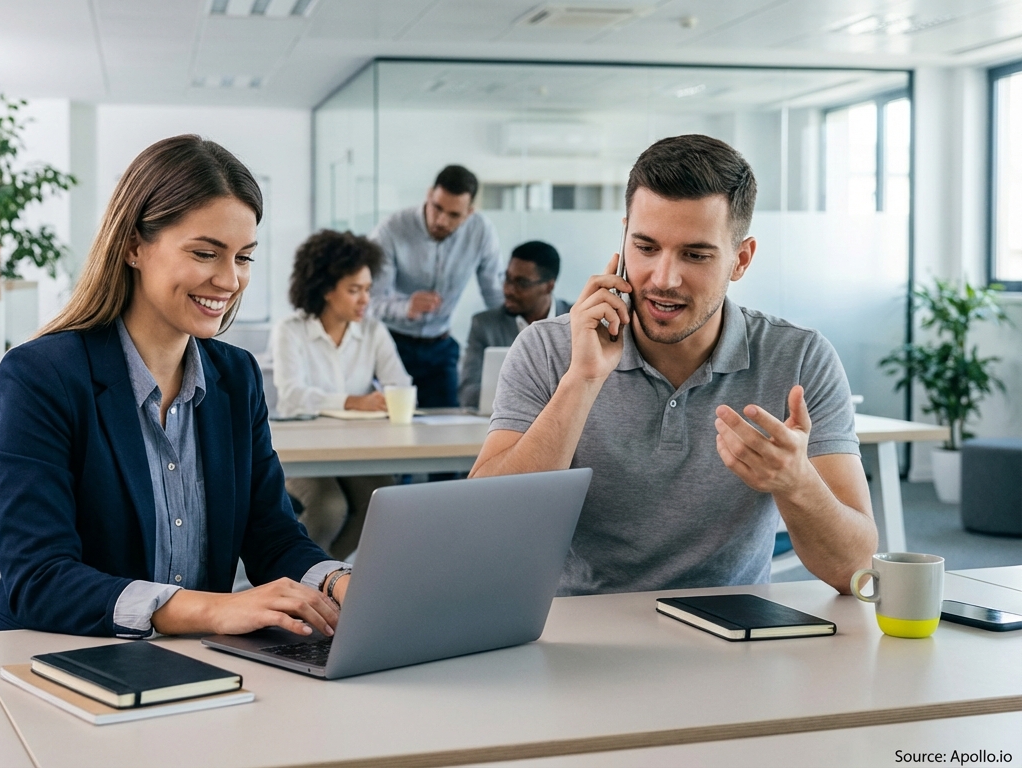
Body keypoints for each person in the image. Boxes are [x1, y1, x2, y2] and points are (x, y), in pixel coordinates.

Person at [0, 135, 351, 640]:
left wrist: (336, 581)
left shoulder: (235, 378)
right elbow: (38, 578)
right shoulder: (41, 376)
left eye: (243, 258)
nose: (229, 280)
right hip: (58, 654)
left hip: (191, 662)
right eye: (205, 253)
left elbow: (272, 536)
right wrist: (212, 610)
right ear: (134, 245)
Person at [470, 134, 876, 596]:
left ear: (740, 259)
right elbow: (487, 530)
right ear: (624, 237)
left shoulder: (800, 358)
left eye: (695, 255)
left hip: (731, 640)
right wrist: (581, 380)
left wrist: (797, 482)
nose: (664, 279)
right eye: (645, 248)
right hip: (576, 635)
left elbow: (857, 571)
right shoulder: (545, 348)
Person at [270, 230, 411, 559]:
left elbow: (400, 385)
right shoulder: (291, 330)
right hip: (302, 450)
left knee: (383, 499)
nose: (365, 299)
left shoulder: (374, 331)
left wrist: (390, 397)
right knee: (329, 506)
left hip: (355, 449)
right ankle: (300, 577)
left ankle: (328, 576)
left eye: (367, 290)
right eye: (354, 290)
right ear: (326, 289)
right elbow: (292, 397)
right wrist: (353, 401)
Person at [368, 165, 503, 407]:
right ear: (429, 195)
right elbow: (369, 301)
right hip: (391, 345)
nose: (441, 220)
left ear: (469, 212)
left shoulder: (481, 231)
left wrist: (528, 334)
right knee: (387, 426)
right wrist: (406, 307)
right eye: (437, 208)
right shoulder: (392, 229)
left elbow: (494, 294)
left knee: (447, 427)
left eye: (454, 215)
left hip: (440, 346)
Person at [458, 241, 572, 411]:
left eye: (522, 283)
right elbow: (468, 394)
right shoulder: (485, 325)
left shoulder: (577, 321)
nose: (508, 290)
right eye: (507, 279)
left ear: (549, 286)